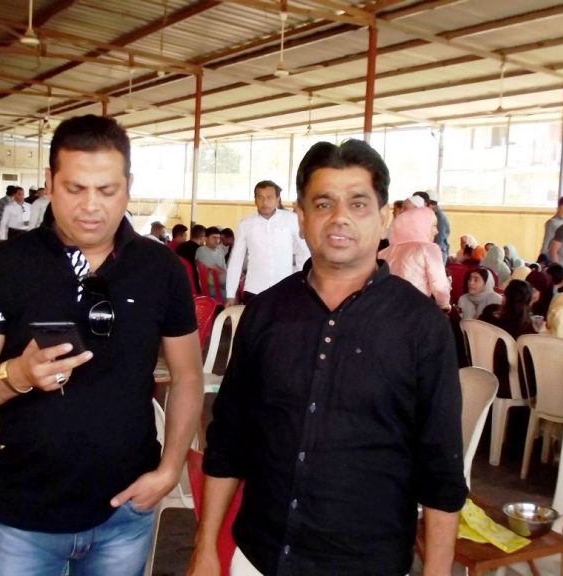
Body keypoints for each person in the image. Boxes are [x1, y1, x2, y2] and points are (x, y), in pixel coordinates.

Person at [189, 138, 465, 576]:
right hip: (258, 558)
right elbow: (229, 441)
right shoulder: (266, 314)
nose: (339, 218)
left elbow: (441, 467)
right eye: (323, 204)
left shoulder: (421, 326)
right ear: (301, 218)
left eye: (358, 204)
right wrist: (205, 549)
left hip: (368, 564)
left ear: (383, 217)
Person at [0, 115, 203, 576]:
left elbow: (187, 375)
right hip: (26, 514)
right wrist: (19, 374)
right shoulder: (6, 265)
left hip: (126, 511)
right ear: (49, 183)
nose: (91, 206)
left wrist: (169, 471)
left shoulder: (160, 268)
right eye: (74, 188)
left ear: (128, 187)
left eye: (107, 190)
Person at [224, 180, 310, 306]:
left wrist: (300, 279)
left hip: (285, 289)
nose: (265, 202)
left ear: (277, 199)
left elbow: (304, 251)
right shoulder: (245, 224)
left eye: (269, 197)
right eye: (260, 197)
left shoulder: (291, 220)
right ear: (255, 200)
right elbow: (236, 260)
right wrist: (230, 295)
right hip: (254, 290)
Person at [378, 204, 450, 309]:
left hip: (386, 309)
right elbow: (440, 287)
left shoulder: (383, 253)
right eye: (433, 226)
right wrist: (444, 304)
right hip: (416, 309)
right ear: (420, 225)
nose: (437, 231)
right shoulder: (428, 249)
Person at [195, 226, 227, 300]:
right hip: (211, 286)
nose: (217, 240)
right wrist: (226, 274)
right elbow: (213, 266)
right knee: (230, 296)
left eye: (218, 238)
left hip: (223, 283)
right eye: (214, 237)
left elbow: (224, 268)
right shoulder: (201, 250)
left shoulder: (220, 251)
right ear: (206, 238)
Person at [538, 196, 563, 263]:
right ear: (562, 207)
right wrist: (542, 256)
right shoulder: (552, 222)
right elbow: (547, 240)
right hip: (553, 256)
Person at [176, 224, 206, 291]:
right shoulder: (201, 251)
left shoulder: (180, 247)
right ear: (202, 236)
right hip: (194, 284)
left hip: (179, 281)